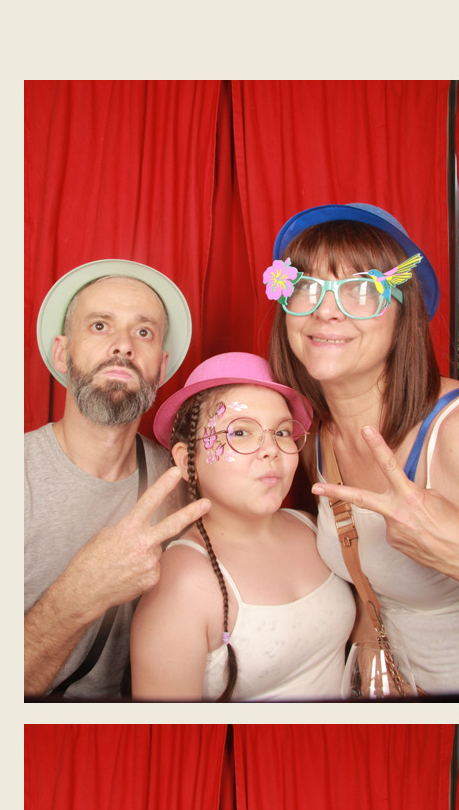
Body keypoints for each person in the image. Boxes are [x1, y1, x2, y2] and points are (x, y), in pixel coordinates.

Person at [264, 203, 459, 696]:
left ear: (403, 314)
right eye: (307, 287)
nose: (326, 310)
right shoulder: (314, 440)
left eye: (361, 289)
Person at [24, 259, 207, 700]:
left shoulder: (181, 481)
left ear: (161, 366)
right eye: (100, 326)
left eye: (143, 332)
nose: (123, 345)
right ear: (62, 353)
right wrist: (83, 592)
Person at [130, 354, 353, 701]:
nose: (271, 450)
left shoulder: (313, 528)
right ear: (186, 460)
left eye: (282, 432)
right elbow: (167, 731)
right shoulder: (180, 586)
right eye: (240, 432)